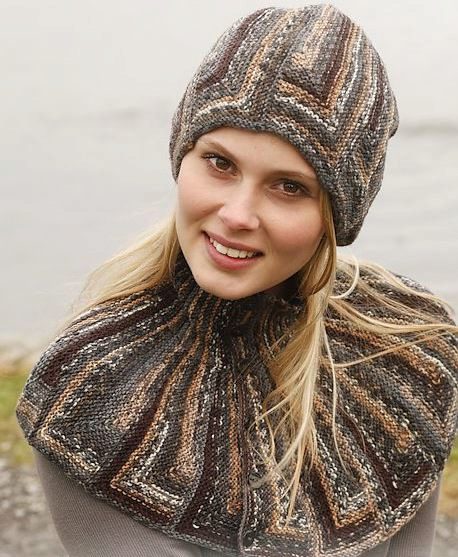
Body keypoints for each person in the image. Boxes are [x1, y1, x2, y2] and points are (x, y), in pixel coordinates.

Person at [16, 4, 457, 557]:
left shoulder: (408, 354)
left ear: (337, 214)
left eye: (289, 187)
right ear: (182, 155)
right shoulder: (90, 391)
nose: (237, 214)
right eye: (220, 163)